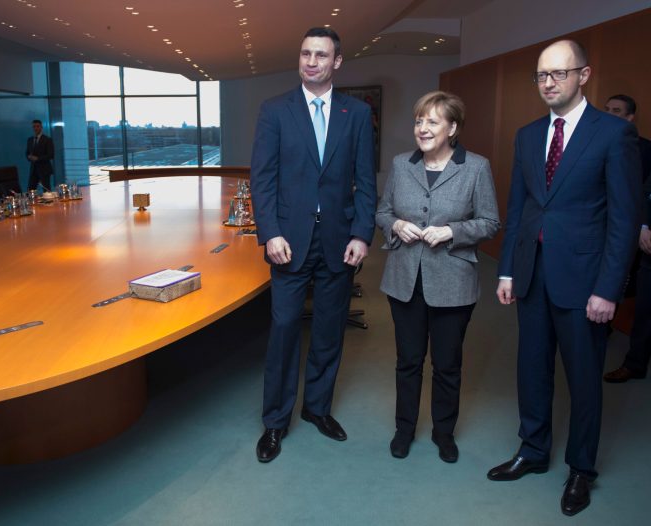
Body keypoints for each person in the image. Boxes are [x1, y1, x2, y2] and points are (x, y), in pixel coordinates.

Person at [487, 40, 642, 517]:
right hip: (532, 276)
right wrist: (508, 268)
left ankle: (581, 470)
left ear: (584, 75)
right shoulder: (528, 135)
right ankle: (532, 451)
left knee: (583, 381)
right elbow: (520, 209)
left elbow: (624, 219)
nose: (548, 83)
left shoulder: (613, 135)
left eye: (558, 73)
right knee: (531, 372)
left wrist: (608, 289)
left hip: (585, 284)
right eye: (541, 75)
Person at [250, 27, 376, 463]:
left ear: (336, 62)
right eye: (305, 53)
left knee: (327, 332)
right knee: (284, 331)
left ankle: (318, 409)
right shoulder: (275, 111)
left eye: (321, 55)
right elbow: (262, 179)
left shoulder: (356, 113)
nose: (311, 61)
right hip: (289, 241)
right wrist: (271, 232)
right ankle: (275, 422)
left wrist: (362, 233)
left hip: (339, 242)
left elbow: (366, 181)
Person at [376, 91, 500, 463]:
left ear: (453, 127)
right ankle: (404, 429)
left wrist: (451, 232)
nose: (423, 128)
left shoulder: (476, 167)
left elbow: (491, 222)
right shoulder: (401, 164)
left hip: (453, 282)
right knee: (408, 361)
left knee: (447, 364)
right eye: (419, 121)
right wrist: (396, 223)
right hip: (404, 280)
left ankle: (444, 433)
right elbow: (382, 212)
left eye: (432, 121)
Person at [603, 94, 651, 383]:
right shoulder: (590, 142)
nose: (611, 114)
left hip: (631, 231)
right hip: (610, 229)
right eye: (607, 110)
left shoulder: (645, 149)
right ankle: (603, 329)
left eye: (617, 111)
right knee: (616, 281)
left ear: (630, 117)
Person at [26, 119, 54, 191]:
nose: (36, 128)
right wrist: (29, 157)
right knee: (30, 189)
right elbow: (27, 153)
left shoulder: (47, 139)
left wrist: (38, 158)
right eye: (34, 126)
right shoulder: (30, 140)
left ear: (41, 127)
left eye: (37, 126)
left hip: (44, 169)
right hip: (33, 169)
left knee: (46, 190)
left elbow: (51, 155)